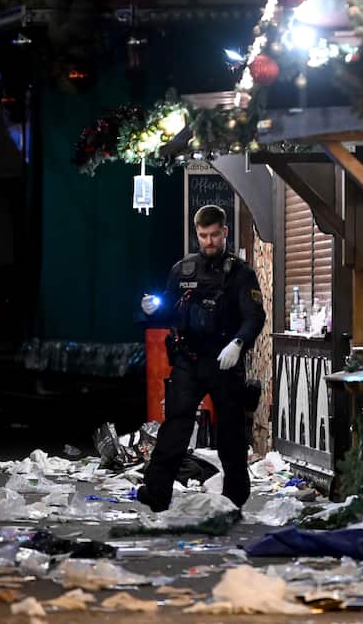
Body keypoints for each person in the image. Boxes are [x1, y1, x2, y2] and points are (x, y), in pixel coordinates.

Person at [137, 205, 265, 511]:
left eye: (214, 235)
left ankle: (234, 499)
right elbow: (170, 309)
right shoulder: (183, 270)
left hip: (224, 362)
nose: (209, 241)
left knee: (231, 434)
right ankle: (156, 494)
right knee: (175, 429)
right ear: (196, 233)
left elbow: (254, 316)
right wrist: (153, 310)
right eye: (203, 235)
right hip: (188, 360)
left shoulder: (240, 273)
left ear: (225, 232)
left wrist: (238, 342)